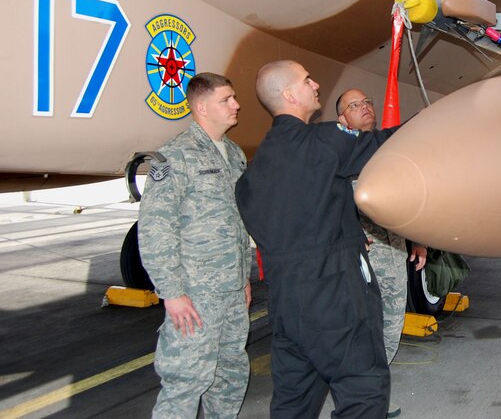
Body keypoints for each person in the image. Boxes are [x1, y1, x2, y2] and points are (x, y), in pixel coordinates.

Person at [235, 60, 397, 419]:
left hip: (285, 307)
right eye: (307, 79)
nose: (316, 84)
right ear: (290, 94)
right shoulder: (324, 141)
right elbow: (387, 144)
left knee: (294, 401)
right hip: (336, 297)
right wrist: (437, 121)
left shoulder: (252, 175)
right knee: (364, 393)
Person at [138, 72, 252, 419]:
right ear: (202, 107)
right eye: (226, 100)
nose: (236, 105)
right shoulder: (174, 157)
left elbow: (239, 221)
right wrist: (171, 292)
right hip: (195, 294)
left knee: (230, 374)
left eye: (233, 98)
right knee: (186, 381)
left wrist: (244, 277)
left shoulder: (234, 153)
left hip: (232, 290)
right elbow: (155, 228)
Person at [336, 88, 427, 365]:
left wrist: (419, 238)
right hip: (363, 259)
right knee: (362, 326)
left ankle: (377, 387)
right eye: (354, 105)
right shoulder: (338, 156)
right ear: (343, 119)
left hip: (395, 253)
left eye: (367, 101)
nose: (364, 106)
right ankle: (362, 393)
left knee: (392, 323)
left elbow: (406, 198)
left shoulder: (390, 149)